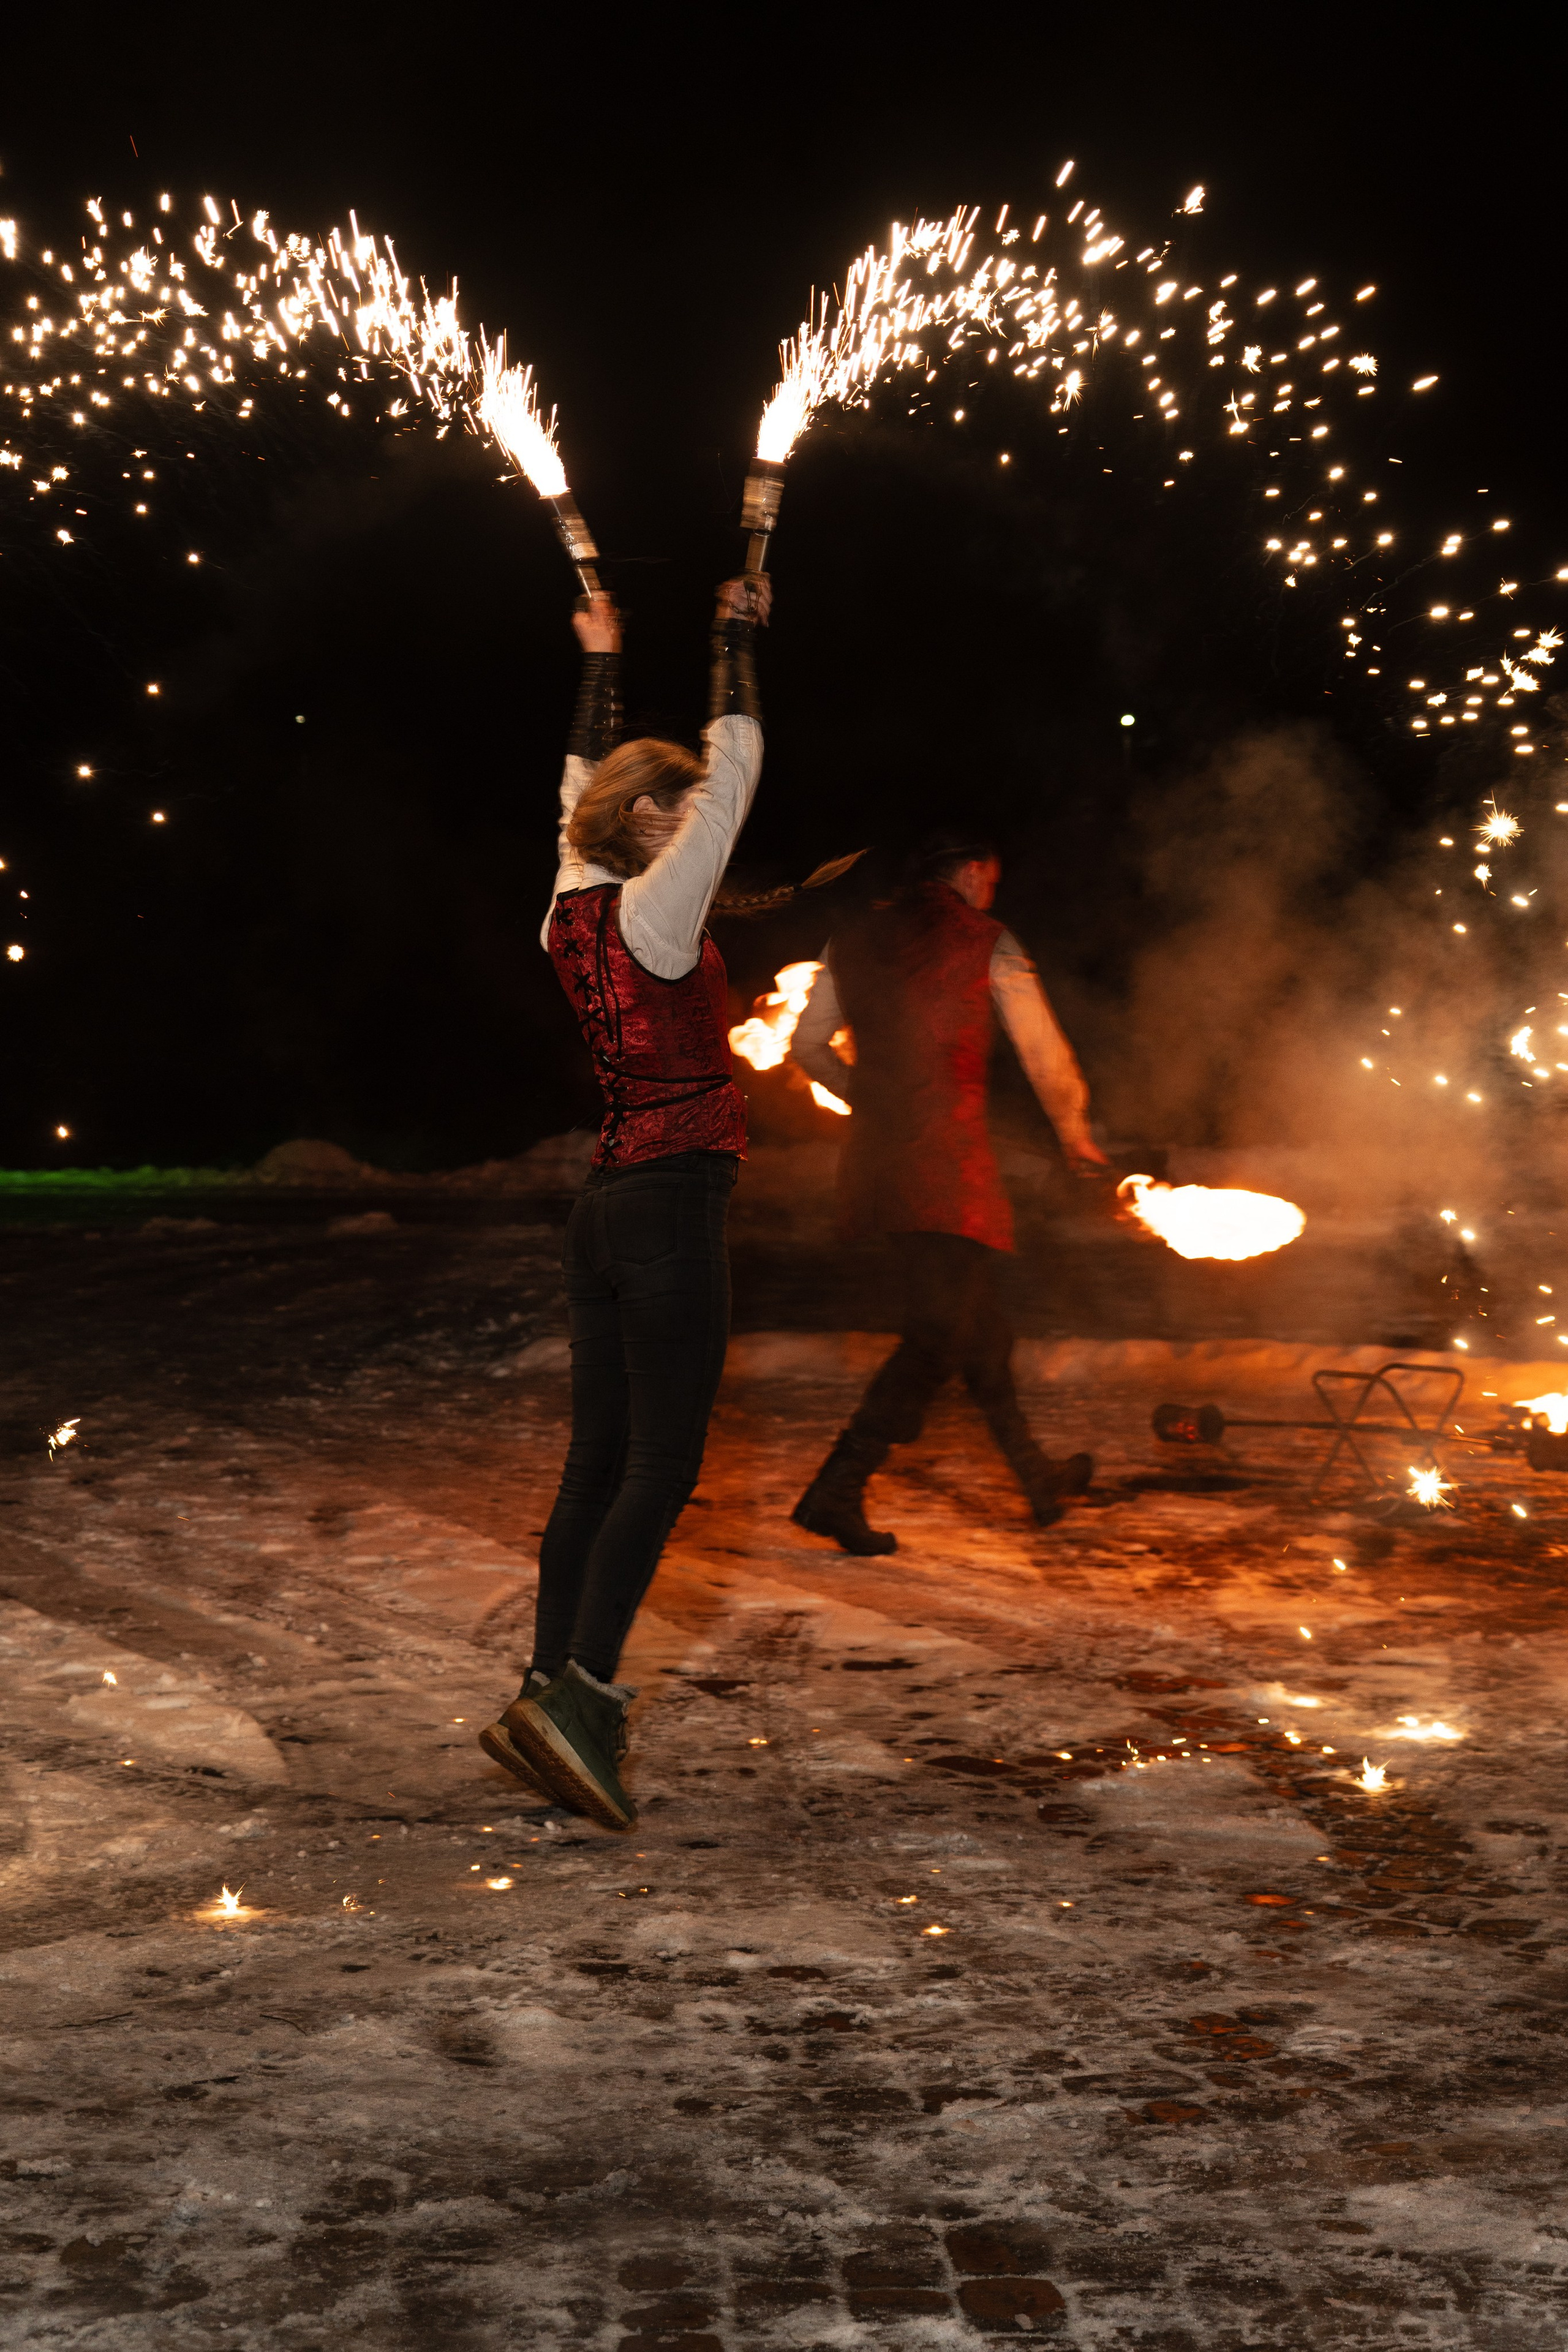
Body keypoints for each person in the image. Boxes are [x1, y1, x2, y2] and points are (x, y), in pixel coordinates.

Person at [480, 573, 769, 1829]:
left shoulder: (566, 901)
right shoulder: (656, 913)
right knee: (661, 1460)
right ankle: (583, 1698)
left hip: (603, 1205)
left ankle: (546, 1685)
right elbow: (739, 764)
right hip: (666, 1204)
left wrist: (599, 659)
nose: (697, 814)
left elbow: (571, 785)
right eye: (678, 803)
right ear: (647, 815)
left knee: (597, 1459)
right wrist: (734, 638)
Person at [787, 826, 1106, 1555]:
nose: (990, 893)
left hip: (880, 1163)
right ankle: (837, 1487)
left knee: (980, 1329)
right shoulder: (986, 940)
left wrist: (863, 1096)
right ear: (966, 873)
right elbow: (1044, 1054)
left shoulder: (851, 939)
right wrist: (1074, 1134)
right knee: (935, 1336)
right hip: (951, 1170)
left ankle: (1037, 1478)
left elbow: (807, 1046)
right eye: (989, 879)